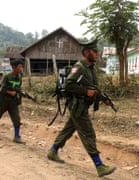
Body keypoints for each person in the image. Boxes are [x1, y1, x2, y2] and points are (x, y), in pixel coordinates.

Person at [46, 40, 117, 177]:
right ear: (86, 53)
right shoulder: (80, 67)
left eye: (97, 52)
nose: (97, 54)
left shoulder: (90, 69)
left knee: (68, 129)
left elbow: (94, 90)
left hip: (82, 106)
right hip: (78, 107)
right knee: (88, 134)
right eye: (94, 51)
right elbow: (68, 85)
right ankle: (99, 166)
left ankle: (53, 151)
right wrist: (85, 92)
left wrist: (104, 99)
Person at [0, 59, 25, 144]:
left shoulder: (19, 77)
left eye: (22, 66)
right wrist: (9, 92)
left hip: (13, 102)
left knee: (16, 119)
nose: (21, 68)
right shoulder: (7, 76)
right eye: (20, 67)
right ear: (14, 67)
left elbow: (18, 88)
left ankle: (16, 137)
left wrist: (20, 93)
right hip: (4, 101)